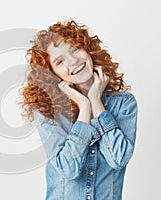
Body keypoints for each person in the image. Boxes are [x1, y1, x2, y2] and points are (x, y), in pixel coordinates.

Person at [19, 19, 138, 200]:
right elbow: (68, 169)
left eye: (75, 49)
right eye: (60, 62)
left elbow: (118, 159)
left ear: (88, 49)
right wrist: (84, 108)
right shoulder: (47, 112)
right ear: (52, 74)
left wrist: (96, 103)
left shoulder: (124, 104)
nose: (73, 61)